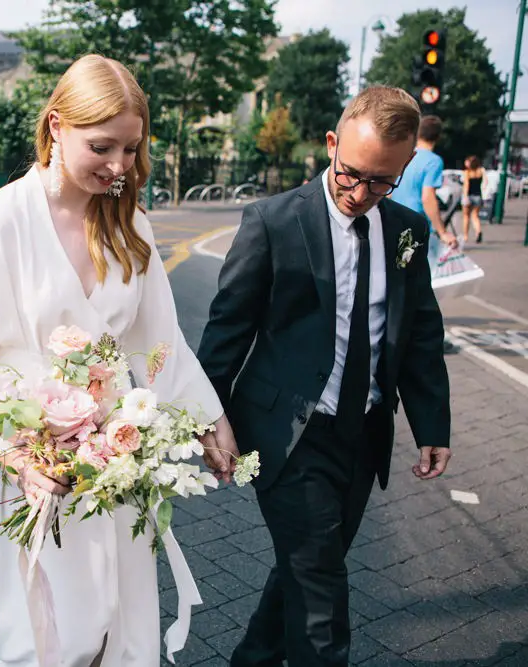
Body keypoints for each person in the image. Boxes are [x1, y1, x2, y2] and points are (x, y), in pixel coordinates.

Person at [0, 54, 236, 666]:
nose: (119, 166)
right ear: (56, 126)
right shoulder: (1, 222)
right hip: (34, 466)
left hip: (117, 458)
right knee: (52, 634)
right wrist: (14, 456)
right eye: (103, 146)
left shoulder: (132, 225)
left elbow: (159, 341)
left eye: (130, 149)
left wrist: (207, 420)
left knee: (119, 622)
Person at [197, 86, 452, 667]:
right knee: (321, 599)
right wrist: (208, 423)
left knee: (308, 567)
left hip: (362, 435)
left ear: (405, 166)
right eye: (350, 175)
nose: (361, 195)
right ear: (332, 146)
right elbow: (226, 333)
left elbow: (419, 336)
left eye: (380, 182)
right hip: (287, 436)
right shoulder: (272, 221)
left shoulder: (408, 231)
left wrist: (433, 424)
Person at [391, 115, 458, 250]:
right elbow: (427, 198)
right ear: (438, 137)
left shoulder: (403, 155)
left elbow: (388, 192)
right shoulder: (433, 161)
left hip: (393, 221)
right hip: (416, 224)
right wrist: (443, 232)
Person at [462, 155, 485, 244]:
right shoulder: (480, 172)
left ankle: (465, 236)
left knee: (466, 216)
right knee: (475, 216)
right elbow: (485, 183)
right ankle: (478, 232)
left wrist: (465, 197)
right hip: (478, 196)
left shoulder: (467, 172)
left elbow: (466, 186)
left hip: (469, 196)